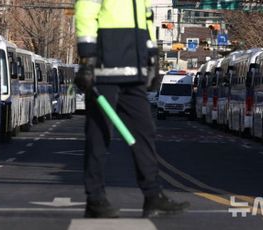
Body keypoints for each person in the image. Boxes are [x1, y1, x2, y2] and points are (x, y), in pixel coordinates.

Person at [74, 0, 189, 218]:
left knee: (145, 132)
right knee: (98, 137)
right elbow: (85, 13)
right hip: (103, 72)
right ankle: (95, 199)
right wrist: (88, 58)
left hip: (134, 73)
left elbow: (145, 21)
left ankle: (153, 196)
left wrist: (153, 57)